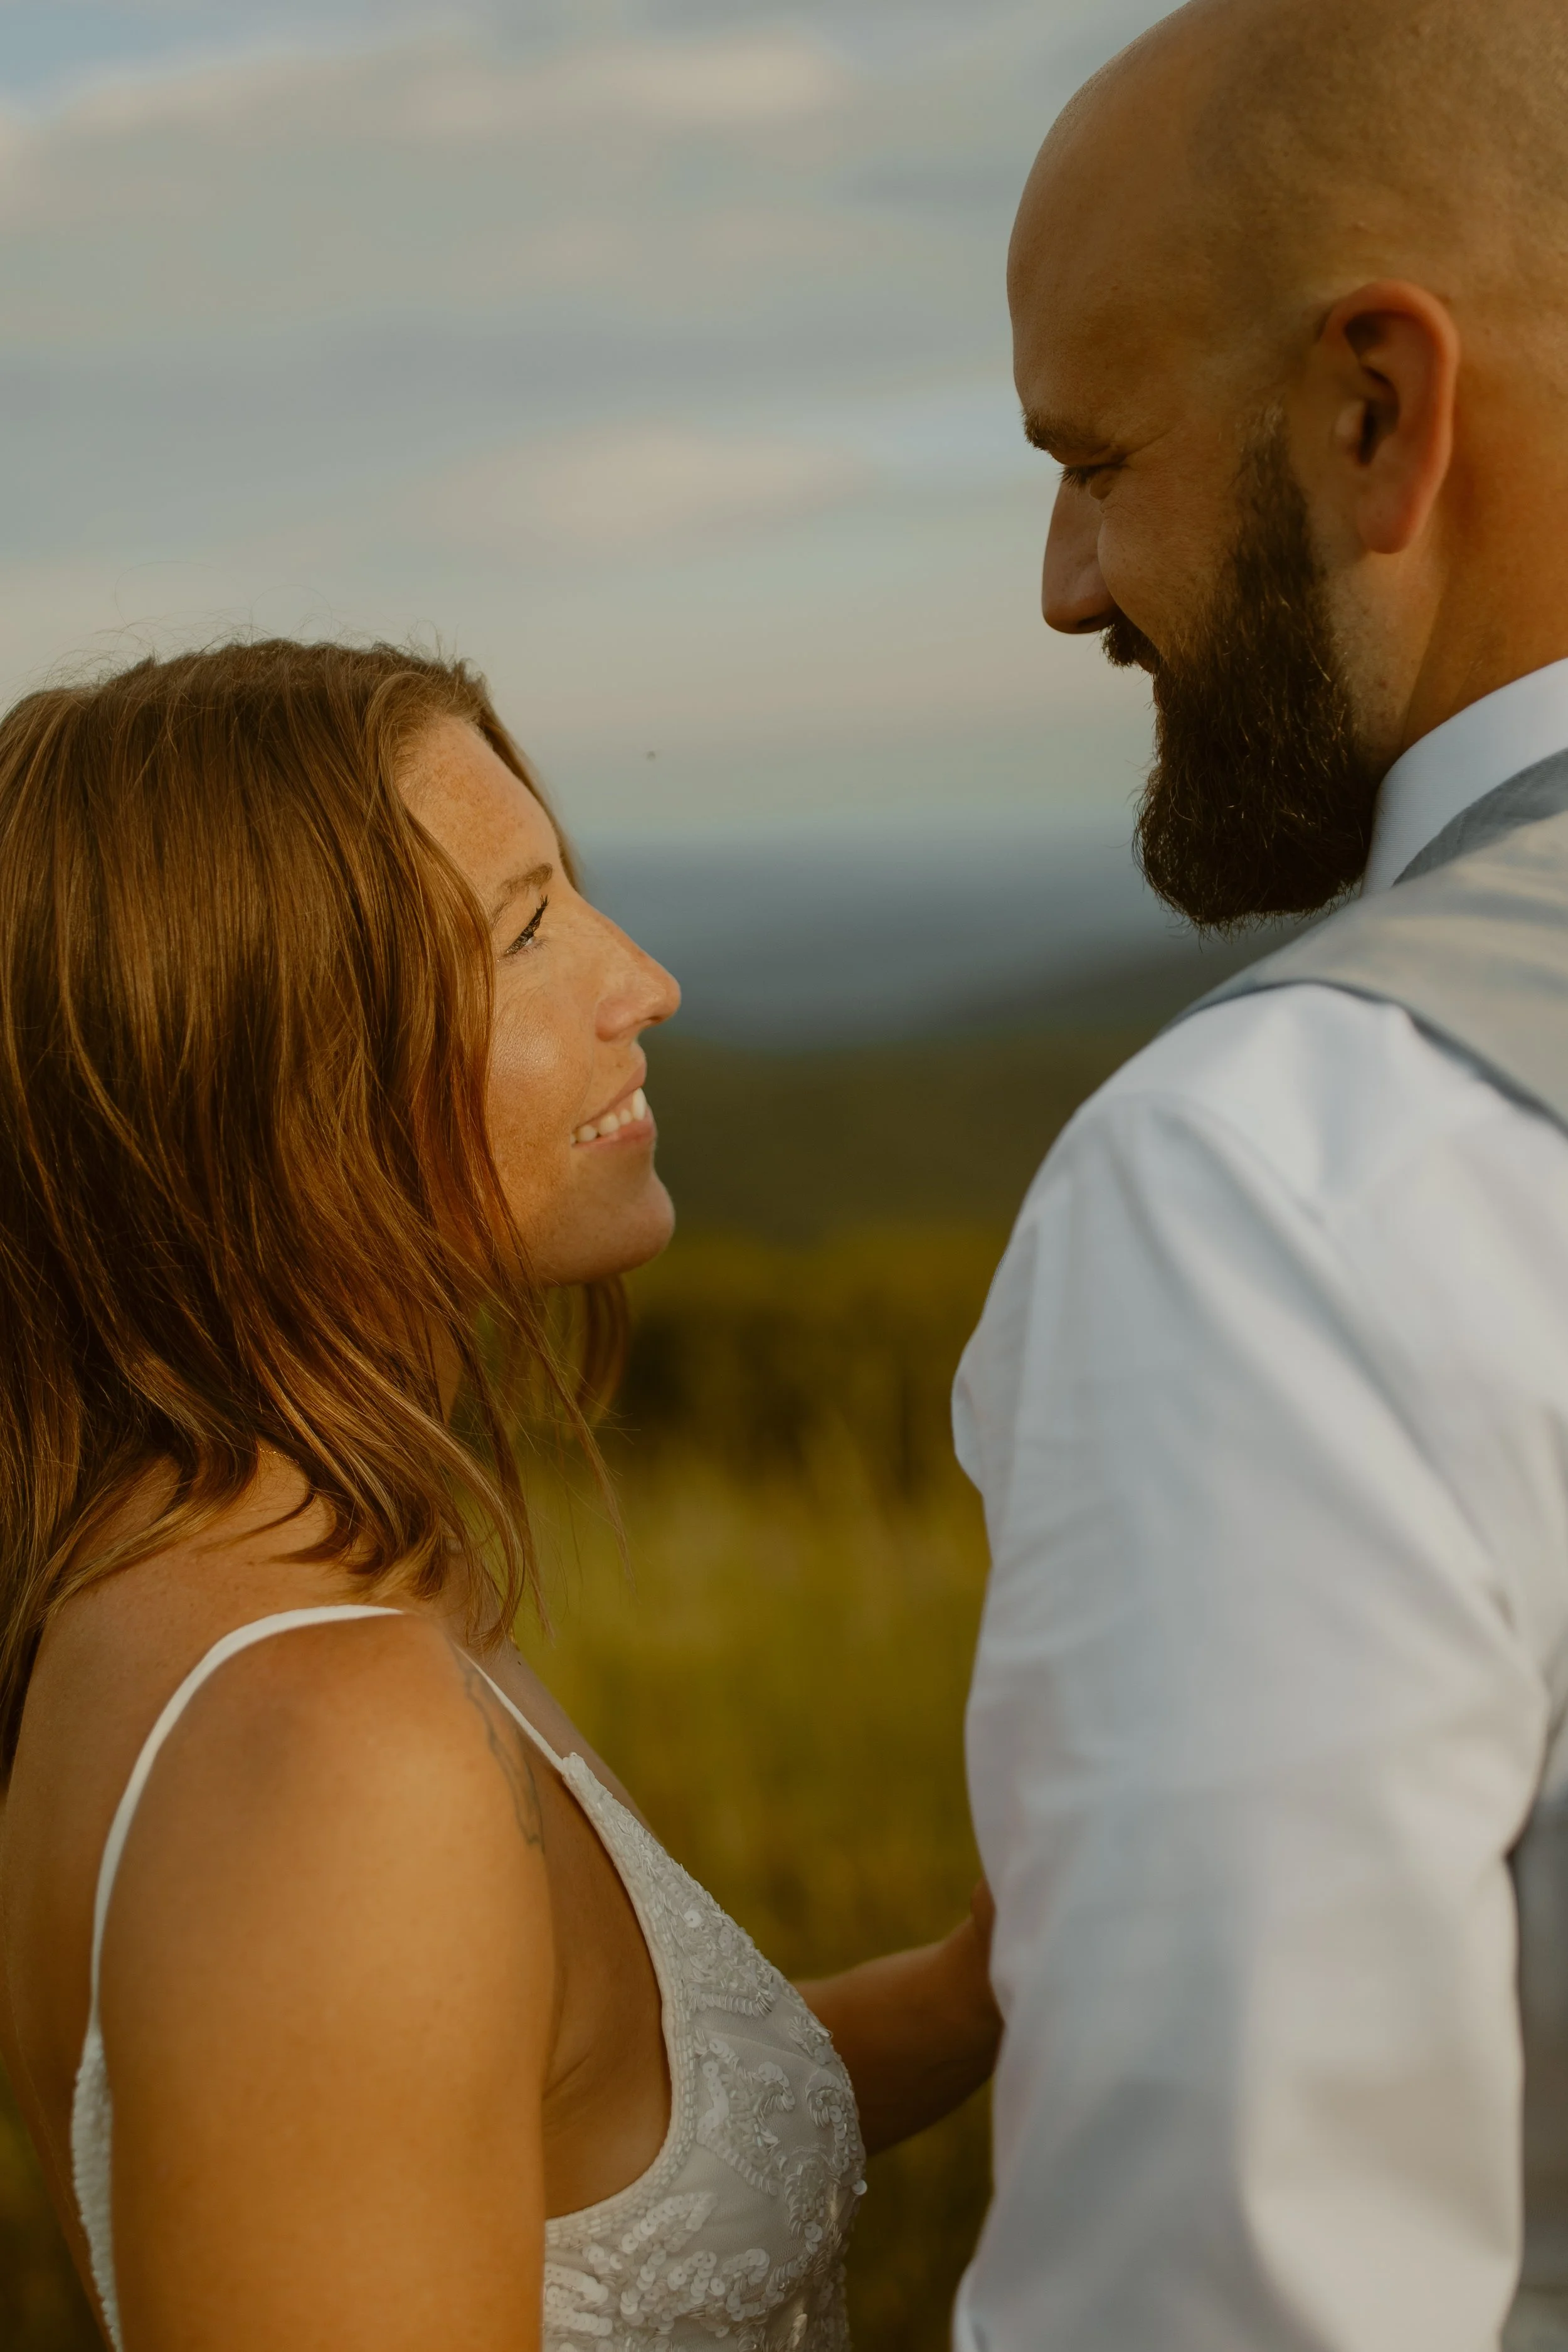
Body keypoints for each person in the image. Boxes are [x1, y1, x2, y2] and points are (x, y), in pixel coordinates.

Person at [0, 640, 1000, 2352]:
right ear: (264, 1074)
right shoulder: (325, 1754)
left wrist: (992, 1985)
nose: (646, 982)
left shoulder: (284, 1591)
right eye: (527, 930)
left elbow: (557, 2153)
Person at [955, 2, 1568, 2346]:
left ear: (1372, 413)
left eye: (1095, 454)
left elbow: (1217, 2293)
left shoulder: (1277, 1179)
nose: (1063, 579)